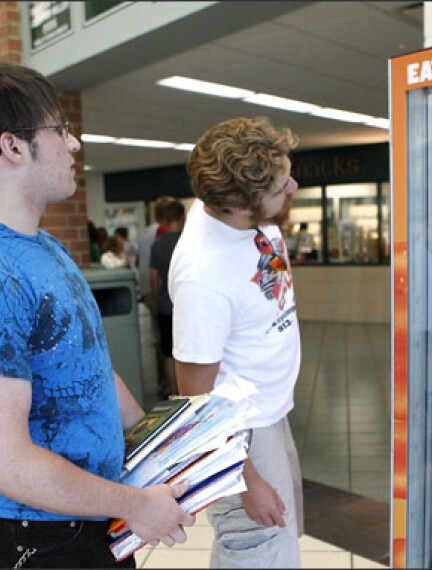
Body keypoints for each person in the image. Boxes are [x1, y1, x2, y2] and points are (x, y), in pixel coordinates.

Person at [0, 60, 193, 568]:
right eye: (60, 129)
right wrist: (135, 505)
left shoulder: (43, 245)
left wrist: (159, 443)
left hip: (88, 514)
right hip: (35, 539)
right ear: (12, 146)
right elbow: (5, 463)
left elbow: (86, 368)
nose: (73, 145)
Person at [168, 116, 303, 568]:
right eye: (281, 186)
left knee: (279, 543)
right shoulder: (203, 277)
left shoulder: (244, 219)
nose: (294, 188)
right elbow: (196, 397)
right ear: (242, 204)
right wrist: (244, 480)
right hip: (239, 431)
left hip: (268, 411)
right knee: (257, 551)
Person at [149, 199, 186, 398]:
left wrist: (158, 296)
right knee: (187, 350)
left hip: (165, 306)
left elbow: (153, 277)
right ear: (182, 217)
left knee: (169, 353)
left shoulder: (159, 244)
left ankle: (175, 394)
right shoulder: (189, 240)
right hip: (187, 306)